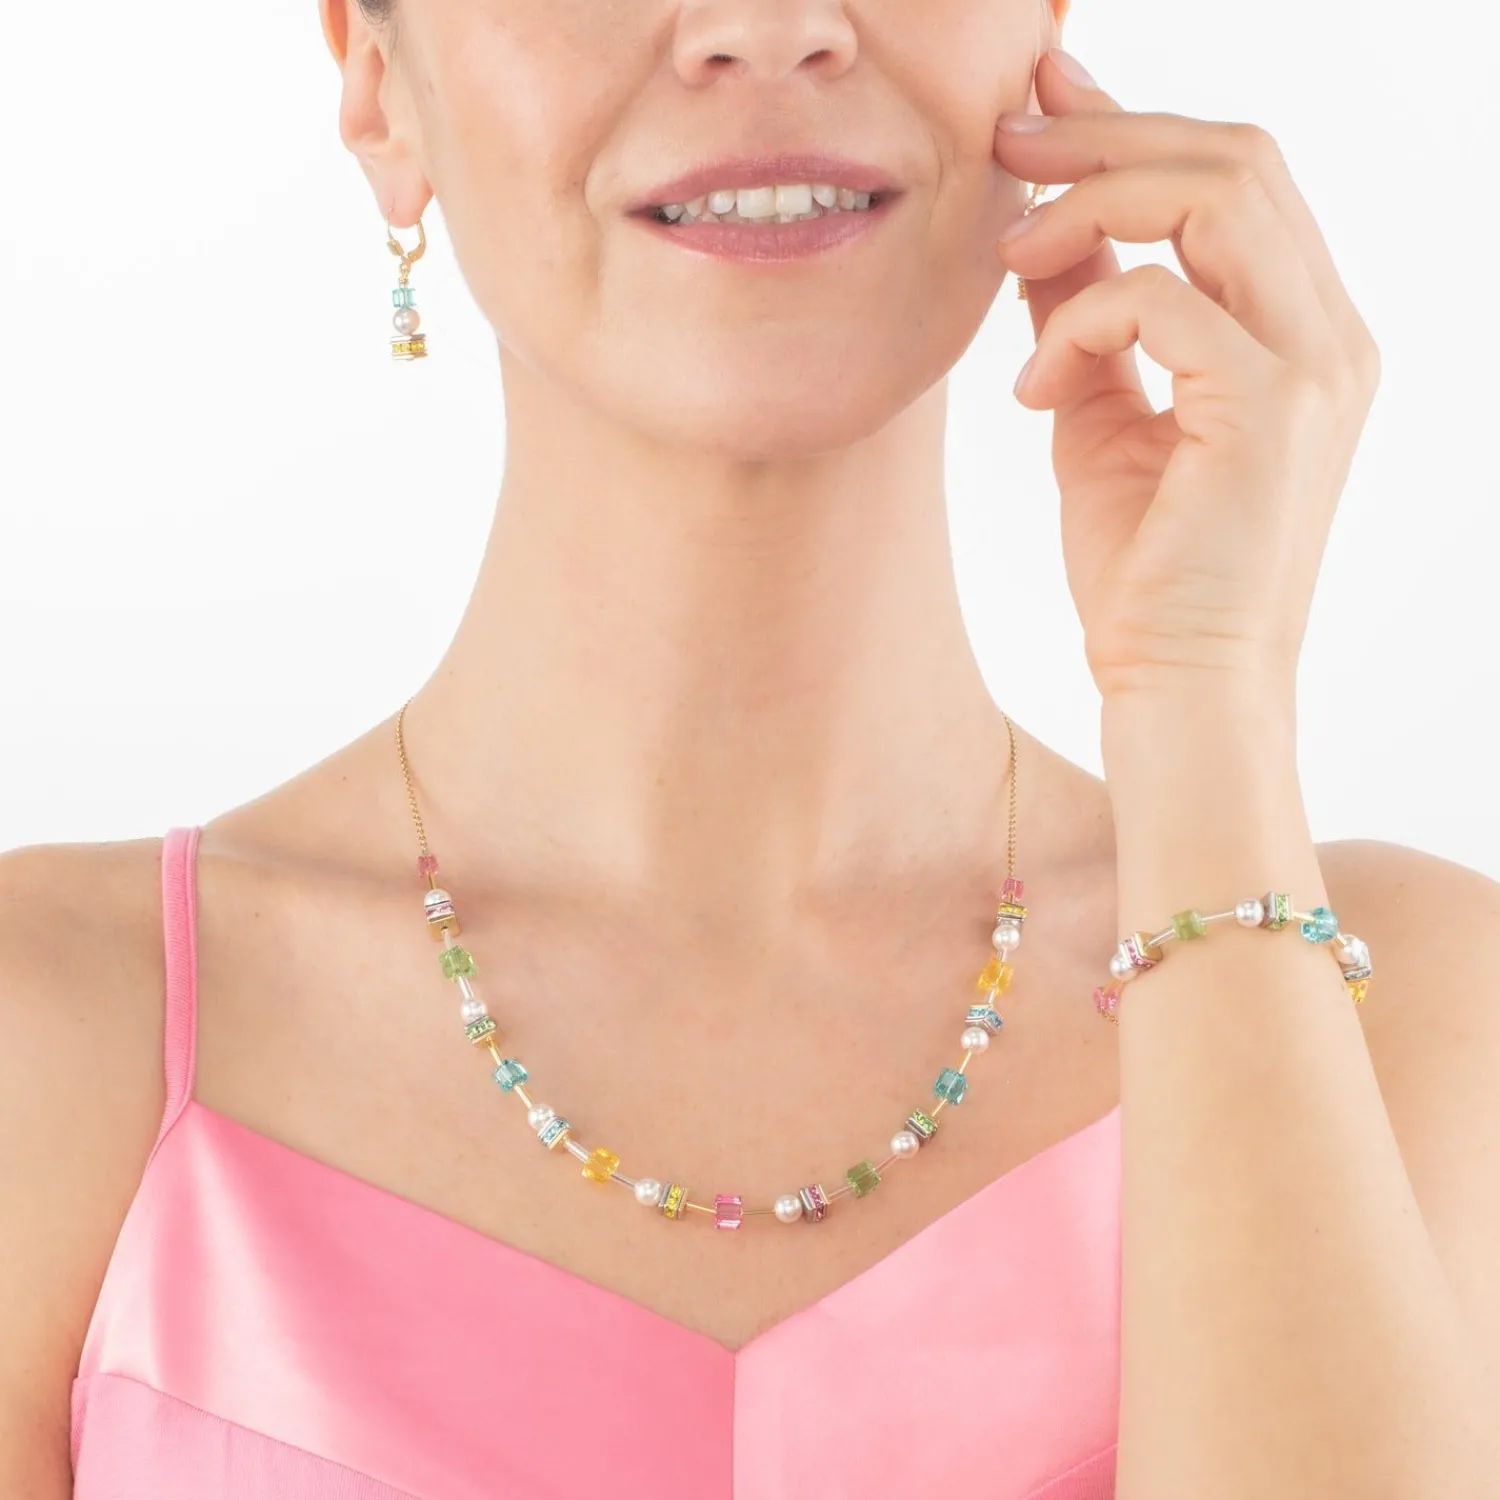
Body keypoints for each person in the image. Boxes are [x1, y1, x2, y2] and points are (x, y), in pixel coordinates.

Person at [4, 0, 1497, 1496]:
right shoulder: (53, 1034)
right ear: (384, 86)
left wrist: (1202, 698)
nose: (766, 27)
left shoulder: (1409, 1019)